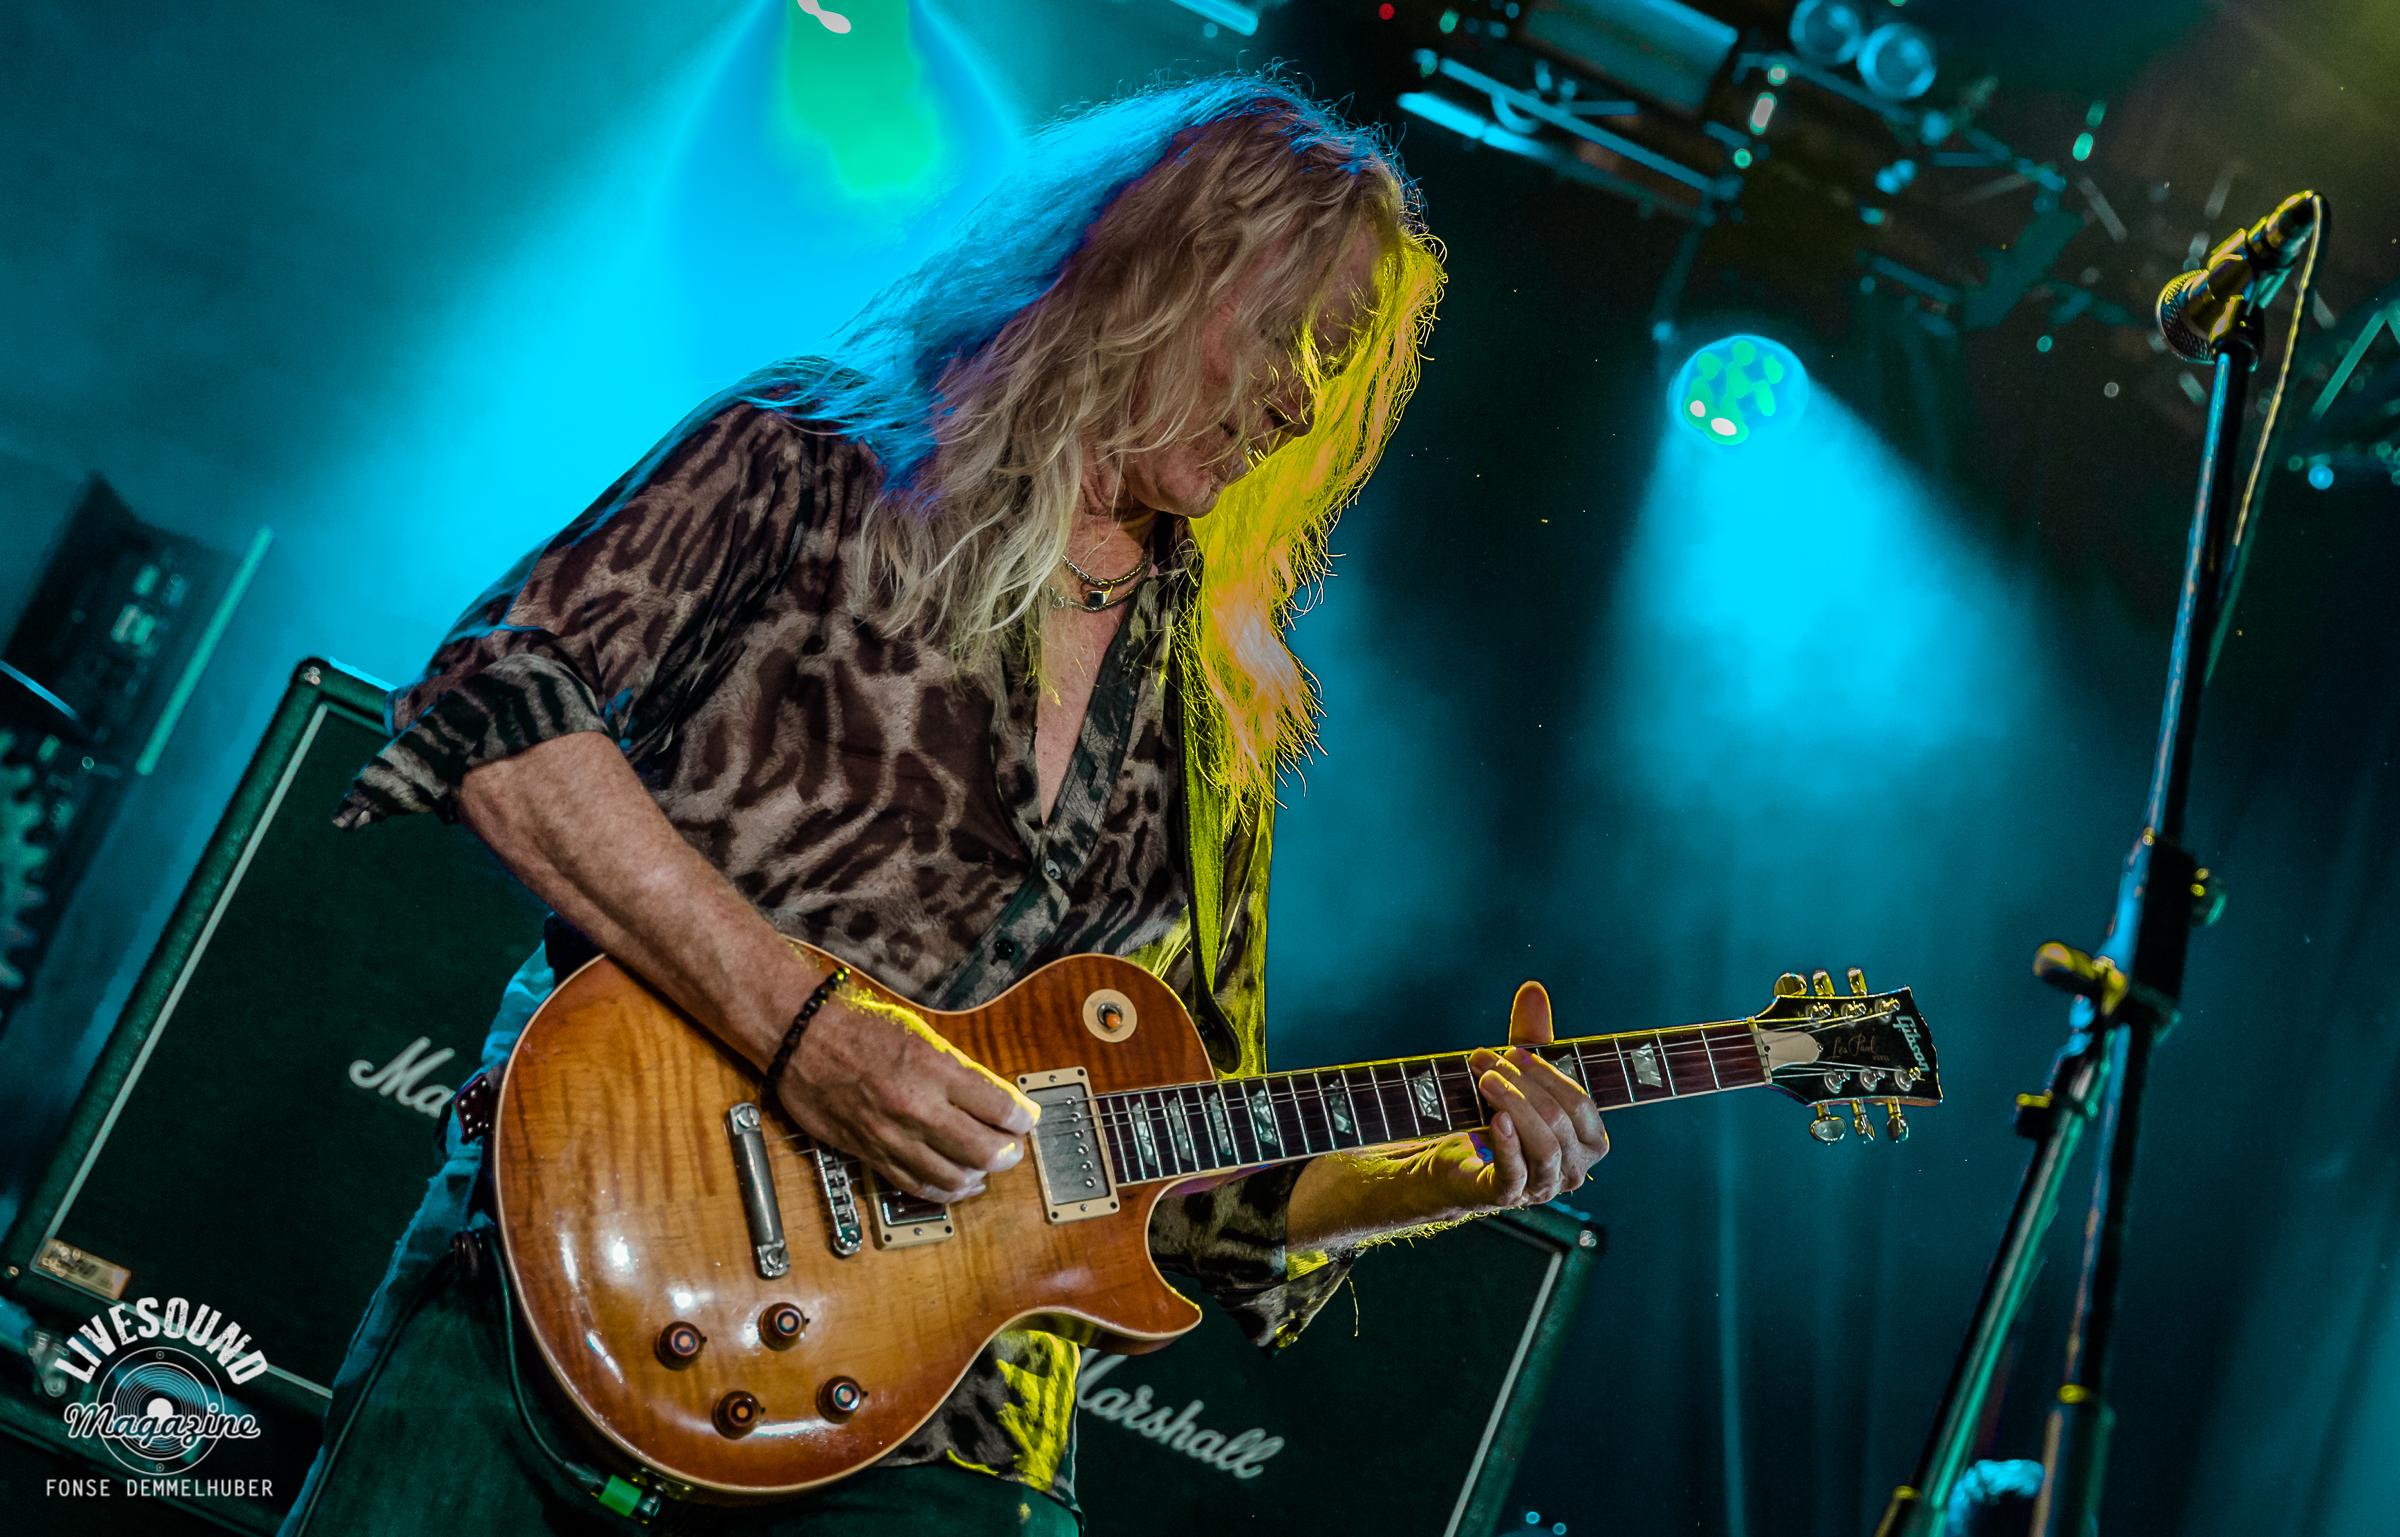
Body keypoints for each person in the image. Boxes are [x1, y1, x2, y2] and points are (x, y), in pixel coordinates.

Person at [286, 77, 1610, 1536]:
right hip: (574, 1265)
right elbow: (495, 703)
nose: (1304, 399)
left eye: (1339, 363)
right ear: (1154, 263)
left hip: (946, 1438)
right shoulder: (812, 457)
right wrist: (805, 1031)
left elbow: (1194, 1185)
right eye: (1296, 328)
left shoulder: (1221, 712)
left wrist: (1438, 1170)